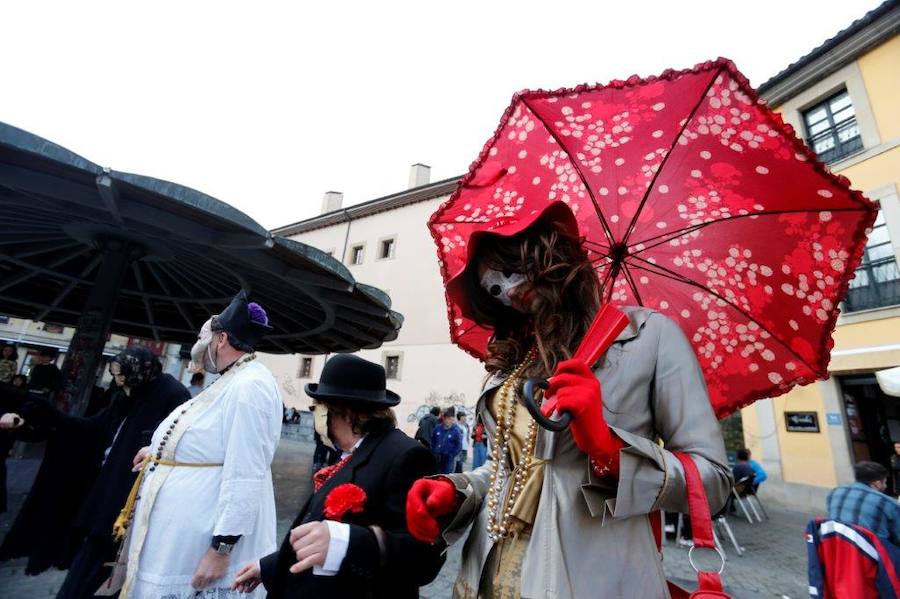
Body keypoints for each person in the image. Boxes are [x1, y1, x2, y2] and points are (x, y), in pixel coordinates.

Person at [405, 202, 731, 597]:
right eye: (493, 287)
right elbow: (511, 469)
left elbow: (712, 482)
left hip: (593, 580)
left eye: (511, 270)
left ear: (550, 257)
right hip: (487, 577)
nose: (508, 291)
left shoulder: (652, 337)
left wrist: (609, 449)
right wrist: (459, 491)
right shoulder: (518, 356)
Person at [231, 354, 445, 598]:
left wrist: (349, 543)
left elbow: (424, 557)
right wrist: (267, 567)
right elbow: (317, 532)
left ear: (346, 412)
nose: (316, 417)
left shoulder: (407, 456)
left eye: (319, 408)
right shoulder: (348, 453)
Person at [116, 291, 282, 598]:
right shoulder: (234, 378)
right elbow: (208, 442)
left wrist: (221, 549)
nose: (198, 346)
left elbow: (247, 470)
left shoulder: (251, 386)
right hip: (182, 535)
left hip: (202, 537)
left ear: (221, 339)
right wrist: (160, 454)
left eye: (202, 337)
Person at [0, 347, 190, 595]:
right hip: (104, 497)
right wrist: (42, 415)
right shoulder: (127, 396)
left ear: (138, 372)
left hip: (130, 503)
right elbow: (92, 429)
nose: (118, 381)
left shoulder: (171, 395)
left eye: (122, 375)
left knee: (102, 575)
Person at [827, 461, 900, 547]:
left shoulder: (835, 492)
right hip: (872, 554)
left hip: (839, 548)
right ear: (877, 484)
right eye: (885, 482)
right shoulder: (887, 503)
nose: (886, 486)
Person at [431, 408, 462, 475]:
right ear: (444, 419)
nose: (449, 421)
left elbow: (459, 445)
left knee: (447, 477)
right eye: (448, 419)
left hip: (449, 459)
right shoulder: (437, 428)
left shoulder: (456, 431)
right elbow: (433, 440)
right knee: (437, 476)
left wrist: (452, 455)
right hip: (437, 457)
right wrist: (434, 451)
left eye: (451, 419)